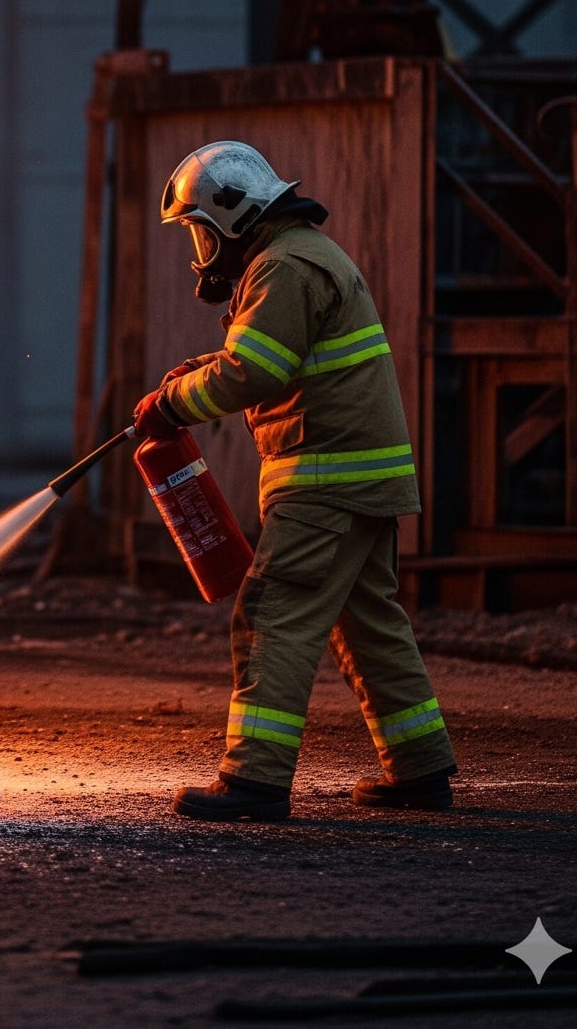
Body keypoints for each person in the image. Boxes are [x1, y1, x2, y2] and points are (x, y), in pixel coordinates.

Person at [132, 140, 456, 823]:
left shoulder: (282, 266)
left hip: (326, 482)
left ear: (230, 216)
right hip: (362, 481)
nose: (199, 247)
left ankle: (254, 779)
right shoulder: (301, 255)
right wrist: (191, 375)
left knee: (273, 613)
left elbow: (252, 373)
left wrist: (172, 404)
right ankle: (420, 767)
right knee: (368, 623)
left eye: (199, 230)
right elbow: (265, 353)